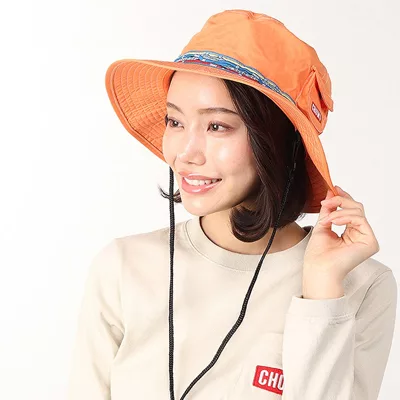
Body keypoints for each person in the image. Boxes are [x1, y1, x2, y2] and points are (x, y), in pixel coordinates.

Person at [67, 9, 397, 400]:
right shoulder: (124, 268)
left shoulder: (361, 287)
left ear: (277, 142)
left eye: (217, 126)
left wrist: (321, 290)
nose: (186, 153)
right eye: (174, 122)